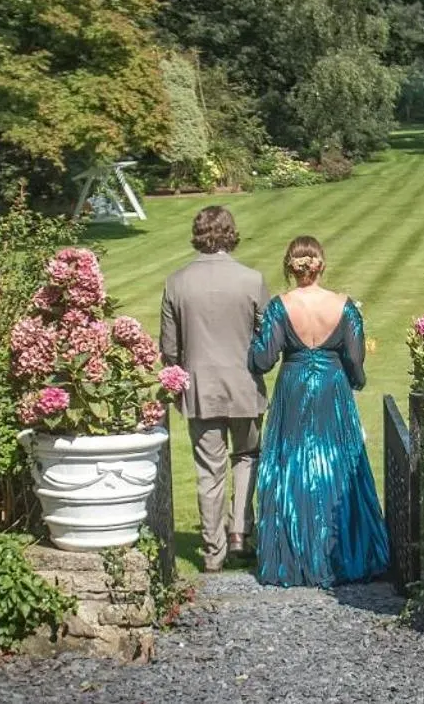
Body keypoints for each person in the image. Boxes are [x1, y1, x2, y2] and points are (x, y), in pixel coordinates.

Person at [249, 237, 389, 587]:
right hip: (332, 386)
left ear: (289, 267)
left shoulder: (280, 307)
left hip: (293, 385)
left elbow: (262, 359)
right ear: (321, 265)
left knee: (292, 463)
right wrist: (354, 382)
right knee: (339, 462)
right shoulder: (345, 307)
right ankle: (344, 554)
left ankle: (292, 557)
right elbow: (355, 360)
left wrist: (252, 342)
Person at [160, 206, 269, 573]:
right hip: (243, 385)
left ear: (197, 234)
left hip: (200, 387)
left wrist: (176, 384)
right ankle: (240, 530)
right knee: (247, 455)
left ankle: (212, 551)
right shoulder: (251, 280)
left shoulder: (177, 282)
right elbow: (265, 340)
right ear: (230, 233)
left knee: (209, 470)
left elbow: (170, 348)